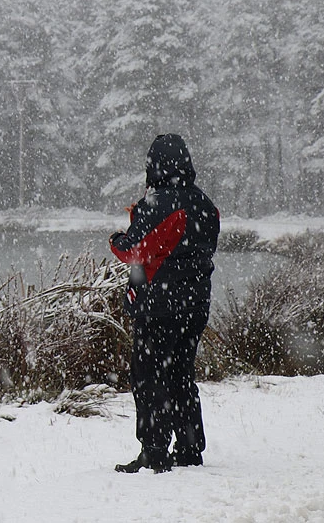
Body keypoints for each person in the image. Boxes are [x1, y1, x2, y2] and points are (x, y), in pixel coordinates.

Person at [108, 134, 220, 473]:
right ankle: (188, 448)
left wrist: (117, 237)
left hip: (158, 306)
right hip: (196, 305)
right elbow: (196, 249)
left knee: (148, 377)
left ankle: (154, 451)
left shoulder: (158, 203)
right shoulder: (204, 204)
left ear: (153, 165)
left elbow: (134, 250)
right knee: (181, 374)